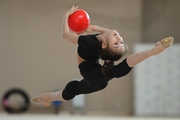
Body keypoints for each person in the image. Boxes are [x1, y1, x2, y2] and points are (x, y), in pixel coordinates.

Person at [31, 6, 174, 106]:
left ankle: (153, 52)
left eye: (117, 43)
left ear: (105, 45)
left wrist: (65, 16)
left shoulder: (88, 42)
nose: (119, 37)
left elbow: (65, 35)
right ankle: (47, 98)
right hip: (99, 78)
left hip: (94, 76)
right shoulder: (105, 41)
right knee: (75, 88)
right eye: (121, 40)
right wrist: (94, 28)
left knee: (72, 88)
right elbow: (111, 32)